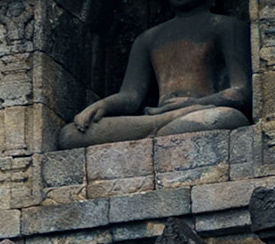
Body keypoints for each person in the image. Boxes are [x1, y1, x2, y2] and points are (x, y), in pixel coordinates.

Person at [56, 0, 250, 148]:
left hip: (203, 111)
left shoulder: (226, 26)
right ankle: (164, 125)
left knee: (227, 118)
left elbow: (240, 92)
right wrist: (102, 105)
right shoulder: (147, 38)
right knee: (70, 135)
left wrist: (189, 105)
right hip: (156, 117)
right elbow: (131, 96)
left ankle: (166, 125)